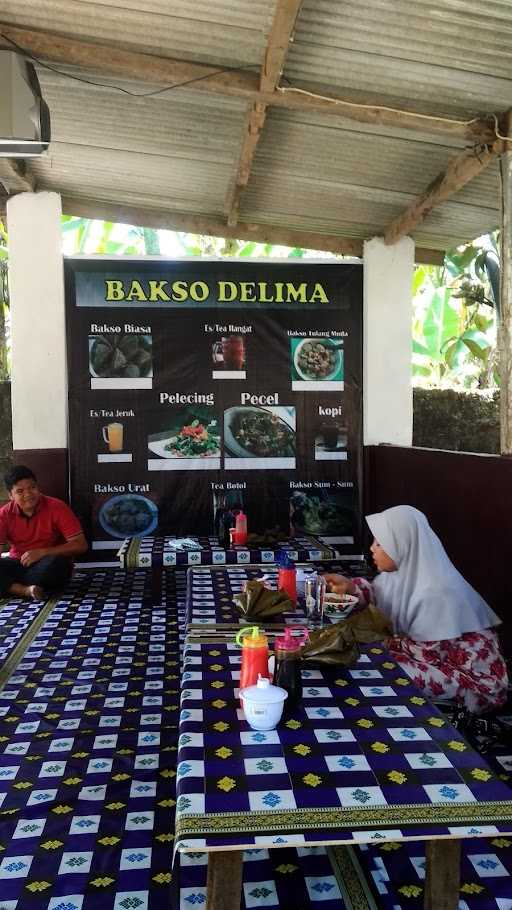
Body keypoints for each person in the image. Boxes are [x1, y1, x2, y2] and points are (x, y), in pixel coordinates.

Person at [325, 505, 508, 713]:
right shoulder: (402, 574)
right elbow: (378, 593)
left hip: (472, 680)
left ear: (402, 545)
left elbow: (426, 655)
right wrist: (350, 588)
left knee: (377, 667)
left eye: (380, 543)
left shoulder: (436, 592)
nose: (372, 549)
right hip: (434, 661)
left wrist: (372, 640)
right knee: (365, 657)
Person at [0, 465, 88, 600]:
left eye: (32, 488)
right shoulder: (4, 514)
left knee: (57, 564)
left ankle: (10, 586)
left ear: (38, 487)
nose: (28, 494)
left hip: (47, 565)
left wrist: (42, 552)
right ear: (11, 495)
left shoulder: (56, 507)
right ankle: (25, 590)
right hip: (18, 564)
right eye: (20, 491)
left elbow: (81, 545)